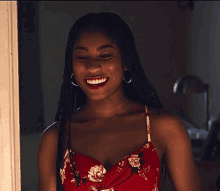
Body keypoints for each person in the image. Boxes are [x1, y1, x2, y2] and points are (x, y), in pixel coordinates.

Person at [37, 12, 201, 191]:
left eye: (105, 55)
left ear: (125, 62)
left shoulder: (164, 127)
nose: (92, 67)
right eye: (82, 57)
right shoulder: (55, 138)